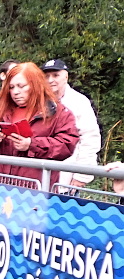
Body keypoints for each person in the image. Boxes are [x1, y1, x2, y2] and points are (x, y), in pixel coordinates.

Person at [0, 62, 79, 188]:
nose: (15, 92)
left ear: (35, 85)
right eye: (11, 87)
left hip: (34, 189)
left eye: (21, 86)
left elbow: (66, 144)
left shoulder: (58, 112)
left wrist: (31, 145)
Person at [42, 59, 101, 189]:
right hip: (38, 178)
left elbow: (90, 139)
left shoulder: (79, 102)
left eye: (55, 75)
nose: (51, 80)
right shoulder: (37, 101)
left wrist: (82, 175)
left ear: (66, 76)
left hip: (67, 178)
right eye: (46, 76)